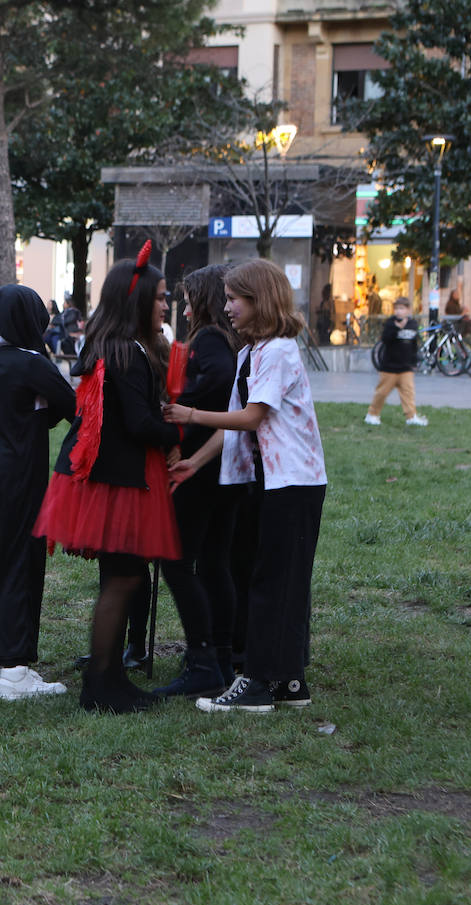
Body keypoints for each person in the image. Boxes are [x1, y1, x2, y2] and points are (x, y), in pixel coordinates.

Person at [163, 258, 326, 713]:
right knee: (275, 578)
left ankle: (257, 683)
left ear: (260, 301)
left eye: (235, 299)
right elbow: (233, 430)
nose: (228, 307)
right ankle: (289, 682)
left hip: (293, 482)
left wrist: (191, 414)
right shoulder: (248, 353)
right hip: (270, 482)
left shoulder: (278, 351)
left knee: (275, 582)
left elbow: (253, 416)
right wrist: (194, 462)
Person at [31, 243, 181, 714]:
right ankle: (99, 685)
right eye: (159, 297)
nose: (164, 304)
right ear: (136, 301)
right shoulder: (127, 352)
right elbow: (138, 423)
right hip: (114, 479)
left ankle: (112, 675)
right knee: (122, 578)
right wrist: (178, 427)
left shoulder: (111, 345)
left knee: (121, 576)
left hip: (106, 474)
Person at [0, 285, 76, 698]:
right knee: (18, 564)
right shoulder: (32, 364)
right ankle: (15, 671)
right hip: (20, 478)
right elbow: (71, 404)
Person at [151, 264, 242, 699]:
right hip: (224, 464)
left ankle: (204, 657)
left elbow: (220, 379)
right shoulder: (227, 337)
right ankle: (219, 656)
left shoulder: (208, 338)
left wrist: (183, 404)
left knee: (178, 560)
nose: (183, 309)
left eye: (188, 299)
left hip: (203, 464)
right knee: (214, 562)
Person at [365, 296, 427, 427]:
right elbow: (386, 340)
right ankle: (372, 414)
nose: (399, 311)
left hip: (405, 368)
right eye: (397, 308)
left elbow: (414, 345)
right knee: (382, 393)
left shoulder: (412, 325)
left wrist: (414, 361)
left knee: (408, 393)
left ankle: (411, 417)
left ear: (408, 310)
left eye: (402, 308)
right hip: (389, 368)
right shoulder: (390, 323)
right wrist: (396, 328)